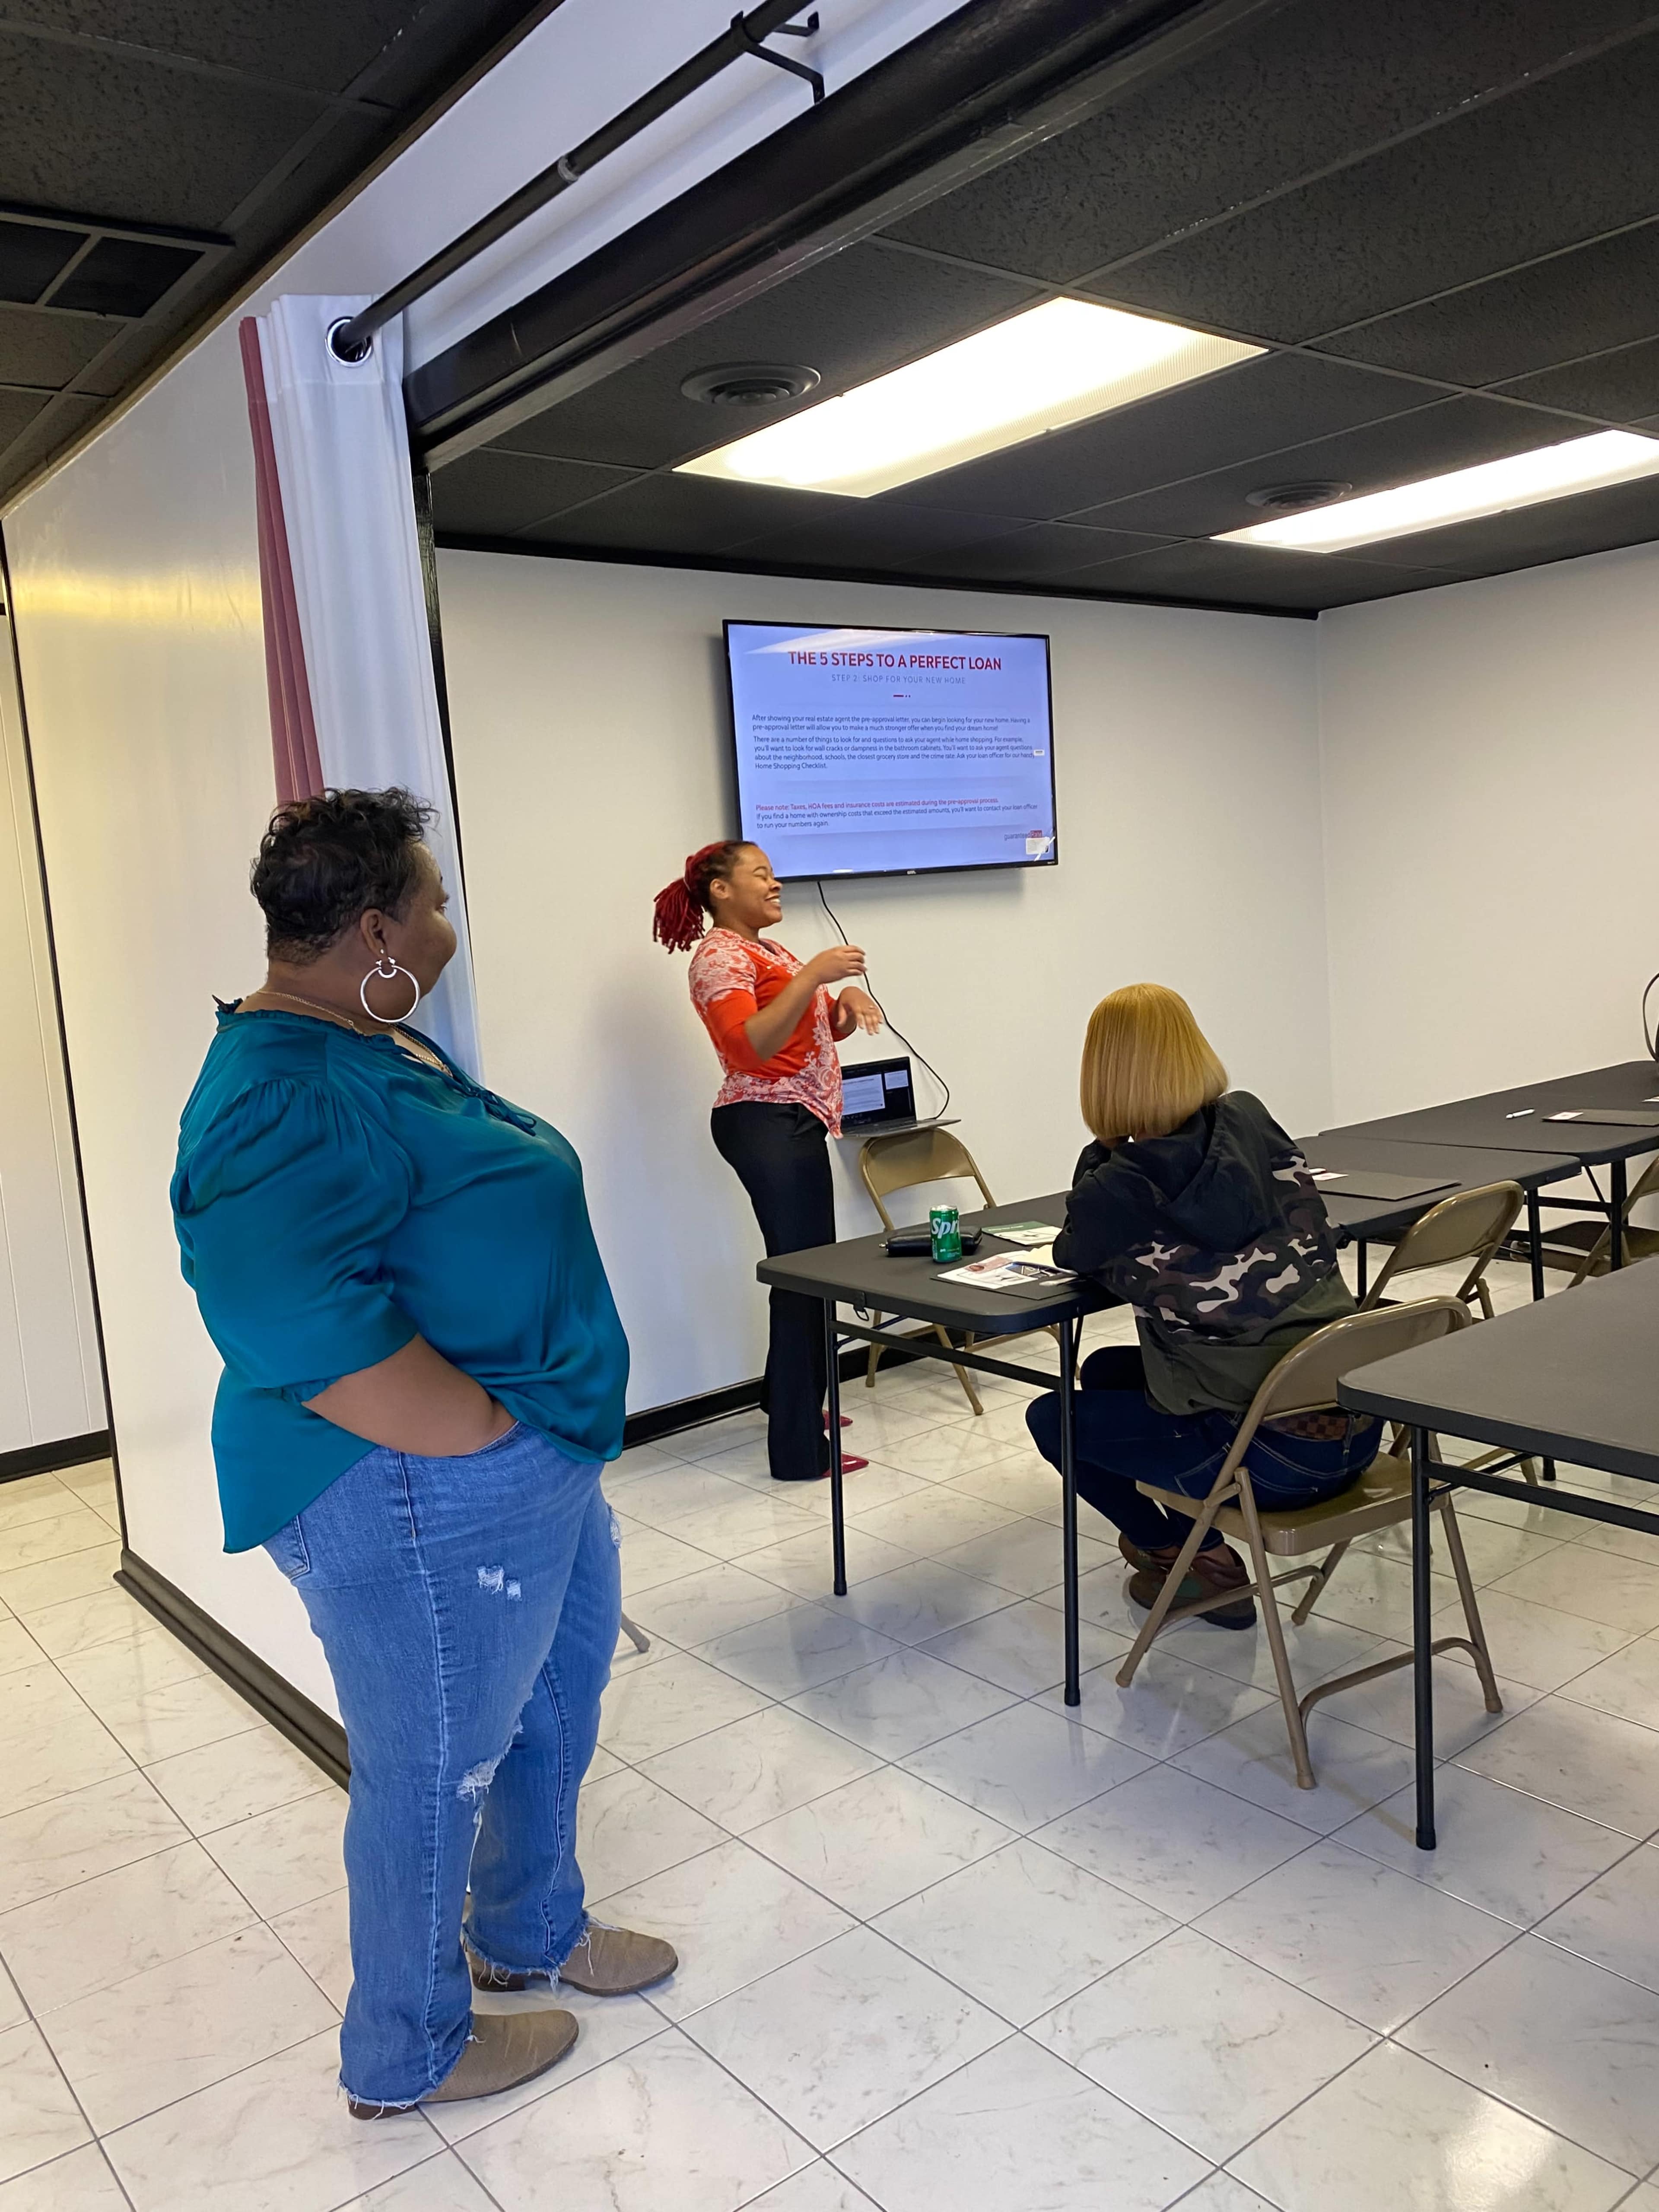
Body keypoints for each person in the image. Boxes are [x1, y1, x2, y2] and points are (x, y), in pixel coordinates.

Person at [172, 787, 675, 2120]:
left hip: (525, 1465)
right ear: (379, 928)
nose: (451, 925)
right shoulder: (274, 1089)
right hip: (416, 1492)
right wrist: (479, 1433)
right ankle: (409, 2048)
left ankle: (526, 1930)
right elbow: (285, 1313)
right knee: (432, 1764)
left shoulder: (364, 1038)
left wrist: (528, 1434)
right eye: (436, 902)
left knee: (555, 1701)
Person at [1026, 983, 1379, 1627]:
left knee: (1052, 1419)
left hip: (1267, 1460)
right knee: (1105, 1371)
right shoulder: (1248, 1117)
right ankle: (1191, 1546)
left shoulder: (1119, 1185)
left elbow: (1073, 1252)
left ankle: (1191, 1558)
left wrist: (1107, 1153)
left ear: (1101, 1074)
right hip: (1349, 1423)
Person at [653, 840, 882, 1481]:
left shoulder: (768, 952)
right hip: (765, 1120)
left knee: (805, 1270)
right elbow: (749, 1047)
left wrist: (842, 1010)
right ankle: (799, 1450)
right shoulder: (720, 955)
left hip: (790, 1120)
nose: (776, 885)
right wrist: (814, 975)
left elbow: (794, 1033)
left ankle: (786, 1403)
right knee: (807, 1278)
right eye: (762, 875)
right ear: (721, 890)